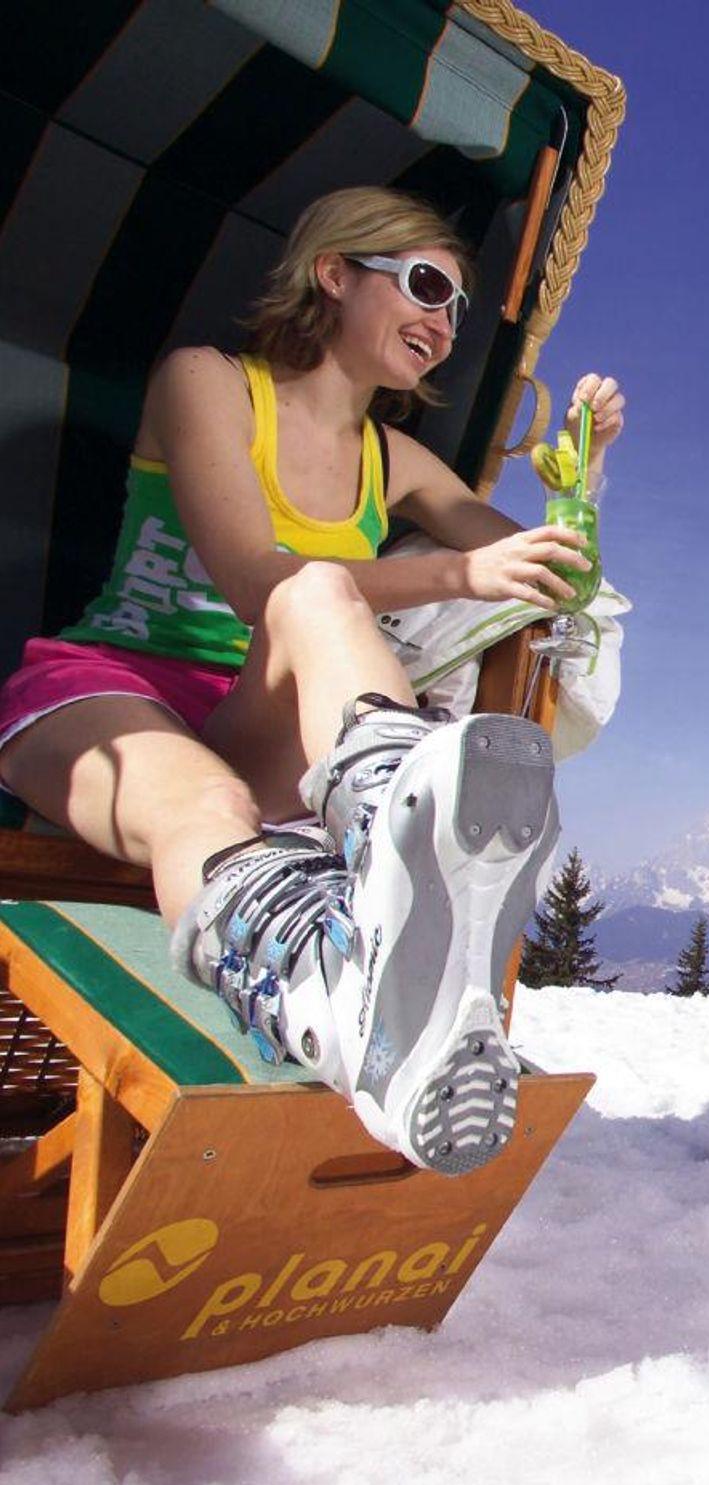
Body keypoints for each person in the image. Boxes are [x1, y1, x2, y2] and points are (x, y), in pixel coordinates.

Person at [0, 187, 626, 1175]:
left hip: (248, 714)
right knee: (298, 615)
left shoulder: (396, 459)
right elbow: (256, 579)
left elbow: (549, 573)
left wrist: (579, 486)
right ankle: (351, 923)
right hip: (110, 696)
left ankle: (386, 857)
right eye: (426, 287)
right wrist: (457, 573)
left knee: (320, 603)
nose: (443, 325)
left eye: (458, 309)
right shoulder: (207, 383)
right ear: (334, 271)